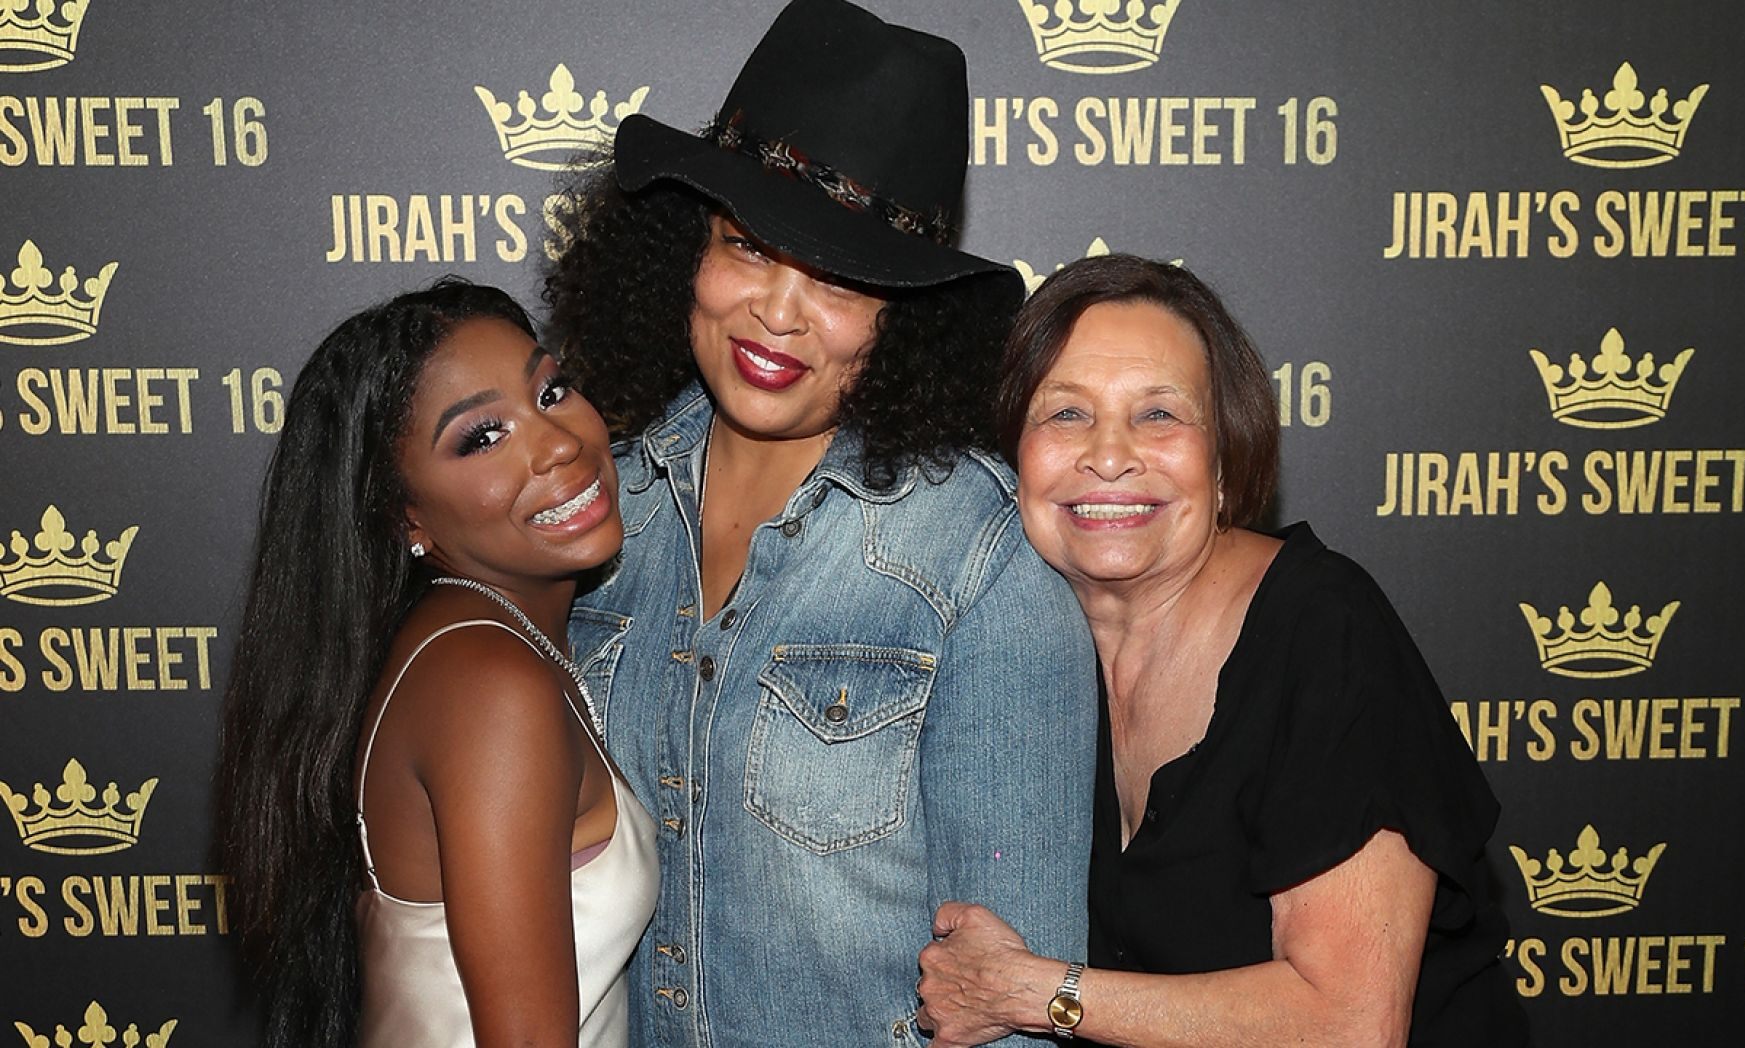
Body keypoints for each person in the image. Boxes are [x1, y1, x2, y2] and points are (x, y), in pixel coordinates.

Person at [543, 1, 1096, 1044]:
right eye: (745, 248)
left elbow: (1013, 1011)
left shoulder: (976, 564)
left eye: (840, 280)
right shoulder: (591, 518)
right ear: (681, 256)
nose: (779, 311)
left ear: (903, 318)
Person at [915, 255, 1528, 1047]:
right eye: (1065, 414)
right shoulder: (1010, 644)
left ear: (1226, 460)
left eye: (1160, 415)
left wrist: (1034, 993)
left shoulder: (1322, 628)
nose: (1109, 454)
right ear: (1011, 455)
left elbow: (1348, 1022)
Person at [215, 279, 657, 1048]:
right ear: (404, 515)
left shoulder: (467, 641)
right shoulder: (490, 682)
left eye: (551, 390)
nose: (558, 442)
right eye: (481, 437)